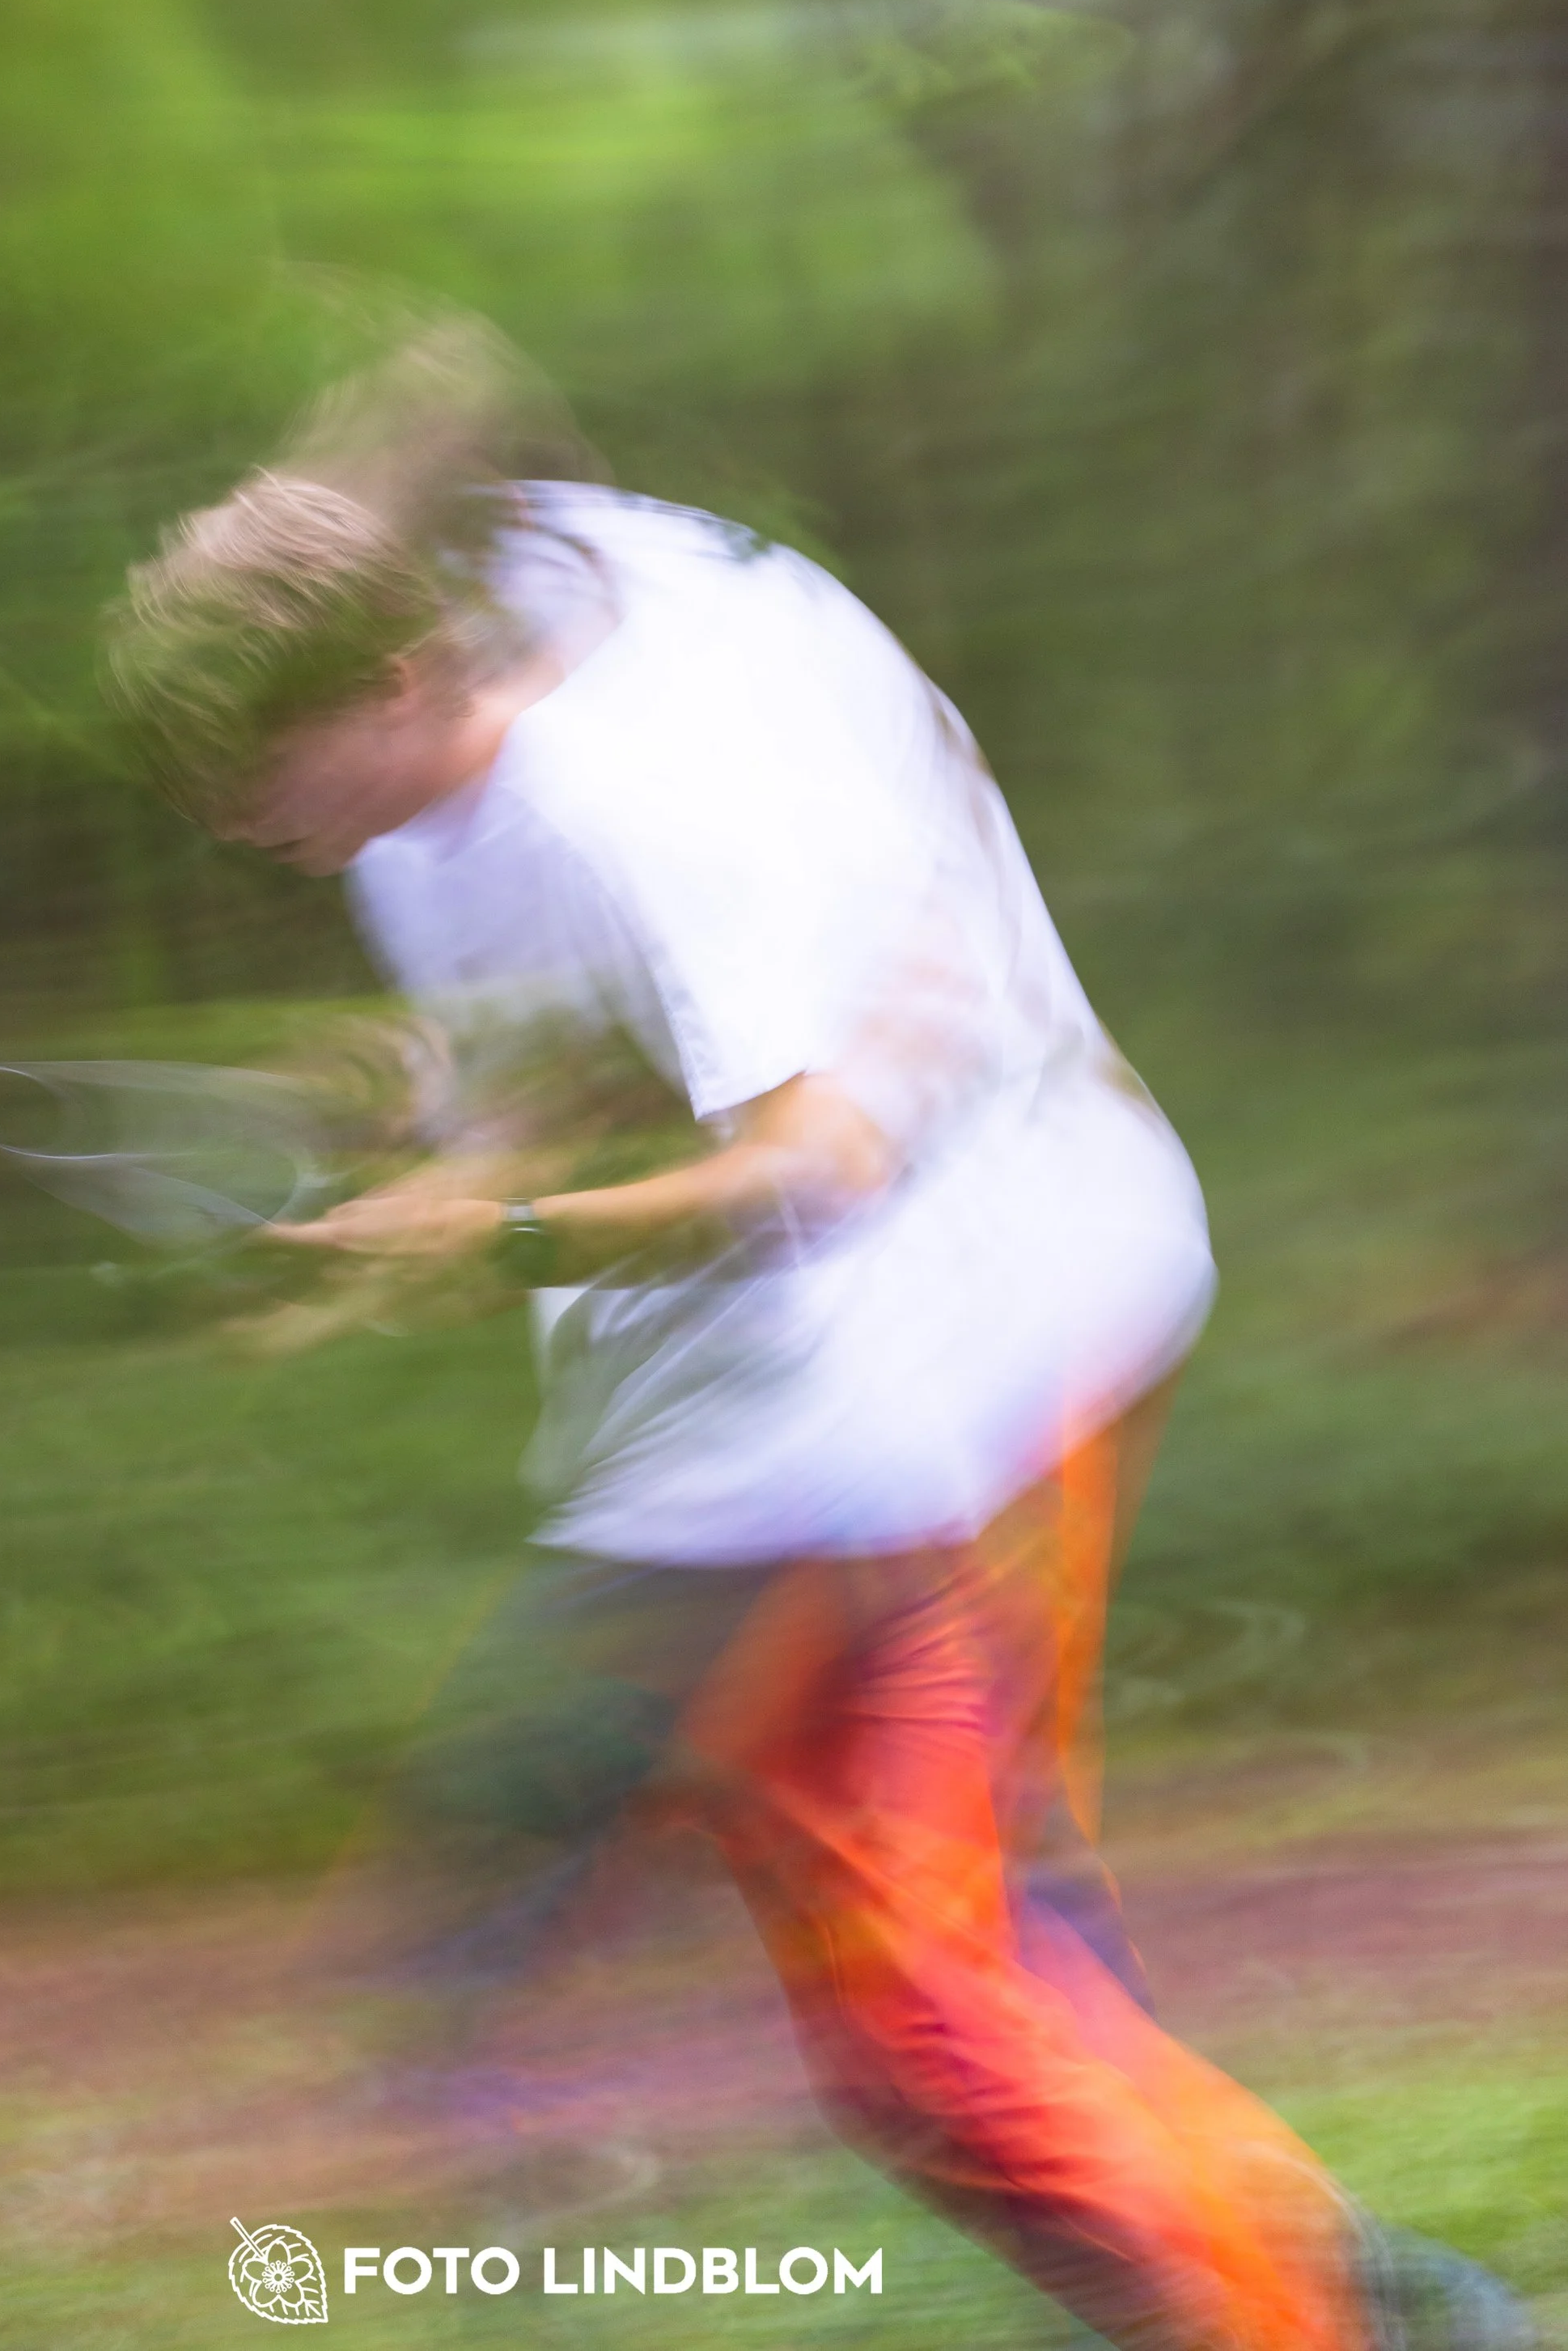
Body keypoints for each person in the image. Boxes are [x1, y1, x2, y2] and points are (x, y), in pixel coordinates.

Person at [104, 328, 1529, 2351]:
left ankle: (1360, 2321)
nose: (252, 828)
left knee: (930, 2018)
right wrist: (413, 1129)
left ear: (399, 680)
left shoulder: (653, 802)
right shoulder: (440, 717)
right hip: (809, 1412)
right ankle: (1361, 2296)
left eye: (273, 787)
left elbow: (817, 1158)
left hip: (971, 1359)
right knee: (932, 1987)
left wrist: (494, 1232)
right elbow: (555, 1040)